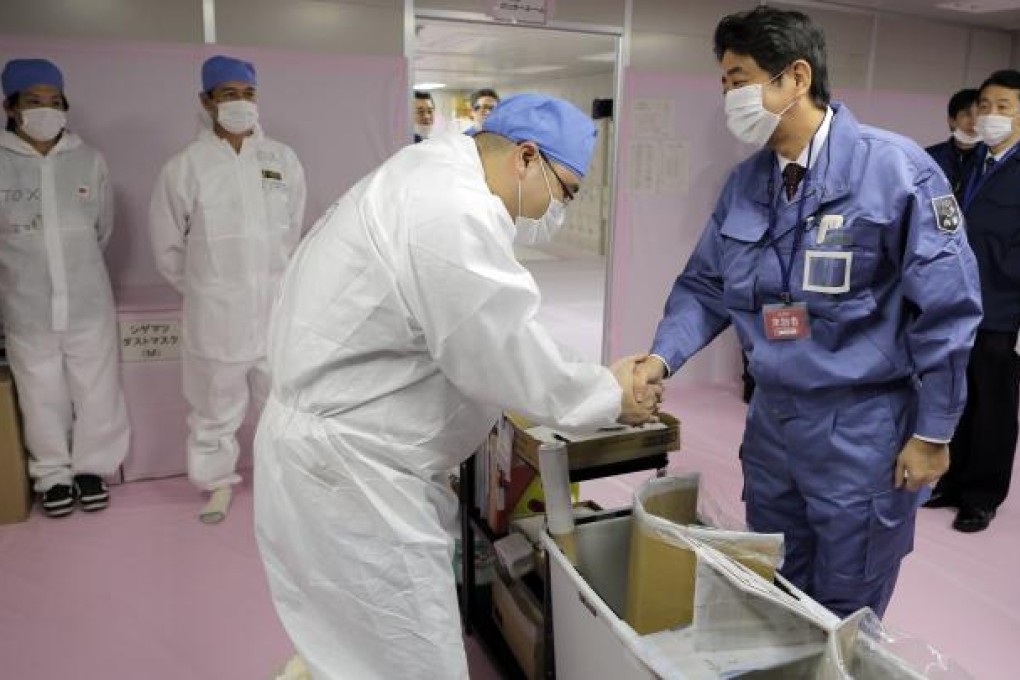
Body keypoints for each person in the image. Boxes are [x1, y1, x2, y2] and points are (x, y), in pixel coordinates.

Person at [254, 93, 661, 679]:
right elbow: (500, 349)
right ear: (526, 158)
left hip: (334, 453)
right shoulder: (451, 208)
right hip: (355, 473)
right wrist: (609, 394)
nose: (559, 209)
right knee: (413, 659)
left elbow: (475, 324)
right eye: (565, 191)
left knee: (346, 648)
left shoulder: (427, 172)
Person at [634, 6, 982, 619]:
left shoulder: (894, 170)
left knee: (848, 598)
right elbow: (705, 285)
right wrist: (660, 359)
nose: (729, 97)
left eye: (739, 80)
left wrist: (933, 433)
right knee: (779, 582)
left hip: (862, 427)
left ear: (796, 77)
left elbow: (948, 309)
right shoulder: (746, 184)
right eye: (724, 84)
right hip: (773, 421)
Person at [149, 55, 306, 524]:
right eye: (228, 94)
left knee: (282, 400)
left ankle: (284, 480)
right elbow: (167, 246)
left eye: (248, 93)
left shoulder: (282, 159)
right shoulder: (186, 166)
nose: (240, 102)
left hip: (274, 308)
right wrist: (208, 289)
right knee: (214, 405)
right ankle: (216, 482)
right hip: (216, 314)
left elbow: (293, 230)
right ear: (206, 100)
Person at [0, 59, 130, 517]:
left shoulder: (88, 159)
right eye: (34, 101)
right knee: (40, 394)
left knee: (97, 389)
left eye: (54, 101)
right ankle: (52, 475)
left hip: (86, 300)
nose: (46, 110)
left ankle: (92, 468)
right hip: (26, 304)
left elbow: (102, 229)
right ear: (11, 107)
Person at [928, 69, 1020, 533]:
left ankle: (982, 496)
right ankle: (953, 481)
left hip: (1003, 306)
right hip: (959, 300)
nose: (990, 114)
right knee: (957, 396)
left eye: (1004, 106)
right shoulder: (972, 162)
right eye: (985, 105)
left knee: (993, 407)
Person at [926, 88, 980, 200]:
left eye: (979, 115)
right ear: (952, 120)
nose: (974, 122)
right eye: (967, 114)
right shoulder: (929, 157)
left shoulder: (992, 159)